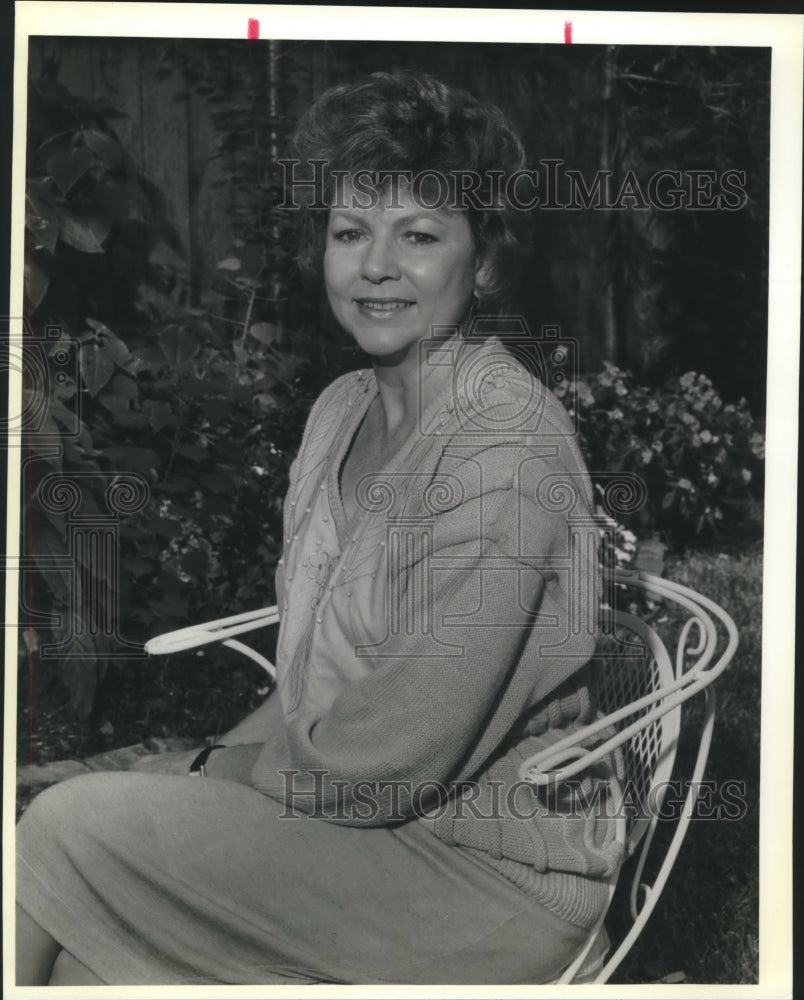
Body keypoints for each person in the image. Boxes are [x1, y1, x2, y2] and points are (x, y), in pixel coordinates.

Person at [16, 71, 623, 986]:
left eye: (418, 235)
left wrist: (201, 769)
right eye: (350, 233)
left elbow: (381, 766)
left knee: (65, 826)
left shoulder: (503, 451)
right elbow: (315, 685)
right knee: (85, 964)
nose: (375, 266)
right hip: (352, 834)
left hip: (483, 876)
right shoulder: (341, 410)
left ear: (485, 260)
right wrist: (210, 766)